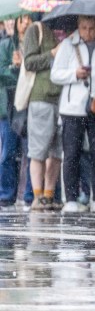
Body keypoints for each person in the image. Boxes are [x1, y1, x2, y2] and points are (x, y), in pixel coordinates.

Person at [50, 16, 95, 213]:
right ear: (78, 27)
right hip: (72, 106)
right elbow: (55, 74)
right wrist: (74, 73)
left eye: (92, 28)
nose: (88, 32)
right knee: (72, 152)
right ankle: (71, 198)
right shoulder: (68, 44)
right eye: (84, 28)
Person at [21, 14, 61, 211]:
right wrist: (52, 53)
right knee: (38, 151)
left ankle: (49, 194)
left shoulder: (67, 32)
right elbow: (29, 62)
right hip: (41, 97)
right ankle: (37, 196)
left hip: (63, 100)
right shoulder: (35, 30)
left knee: (56, 152)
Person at [0, 14, 30, 209]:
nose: (25, 23)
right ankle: (6, 194)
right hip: (8, 107)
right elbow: (3, 73)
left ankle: (30, 195)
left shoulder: (35, 42)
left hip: (28, 104)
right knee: (8, 152)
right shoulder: (5, 46)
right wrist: (14, 68)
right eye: (22, 19)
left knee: (31, 152)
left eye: (29, 19)